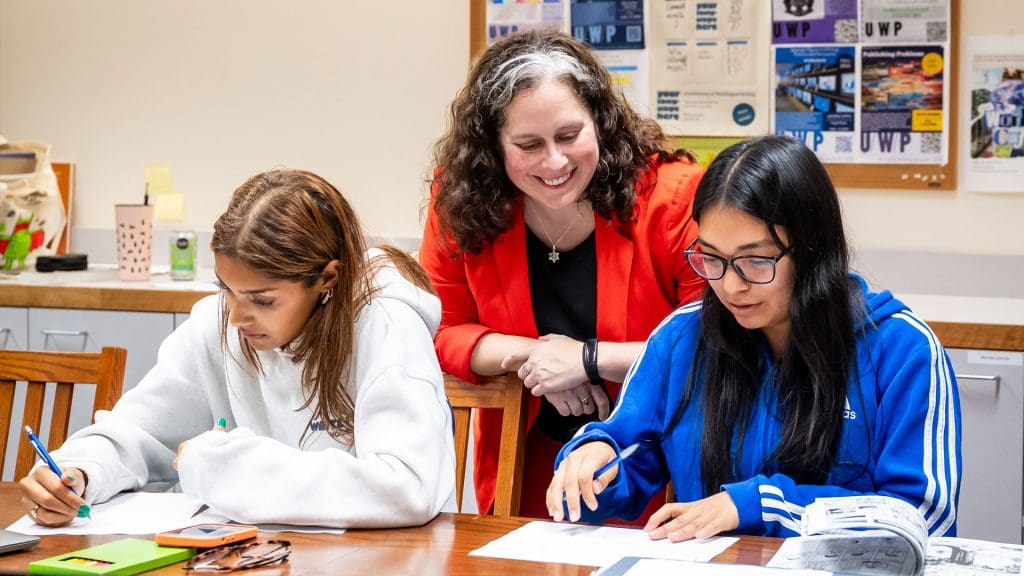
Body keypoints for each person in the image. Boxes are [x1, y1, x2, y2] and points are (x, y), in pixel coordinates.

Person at [547, 135, 961, 540]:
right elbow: (631, 450)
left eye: (755, 260)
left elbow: (923, 519)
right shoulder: (681, 339)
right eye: (711, 258)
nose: (730, 286)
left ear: (813, 250)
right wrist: (593, 460)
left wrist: (760, 505)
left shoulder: (903, 351)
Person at [19, 169, 455, 528]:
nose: (237, 316)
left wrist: (223, 467)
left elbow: (405, 488)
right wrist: (79, 471)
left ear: (327, 279)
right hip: (252, 555)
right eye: (226, 289)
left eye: (263, 301)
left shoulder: (385, 322)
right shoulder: (218, 320)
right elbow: (139, 432)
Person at [420, 29, 705, 519]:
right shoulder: (462, 199)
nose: (554, 161)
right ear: (492, 146)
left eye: (570, 136)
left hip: (654, 465)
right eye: (528, 144)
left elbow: (712, 343)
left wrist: (587, 360)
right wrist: (536, 357)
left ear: (600, 121)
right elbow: (438, 328)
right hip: (527, 462)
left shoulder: (674, 198)